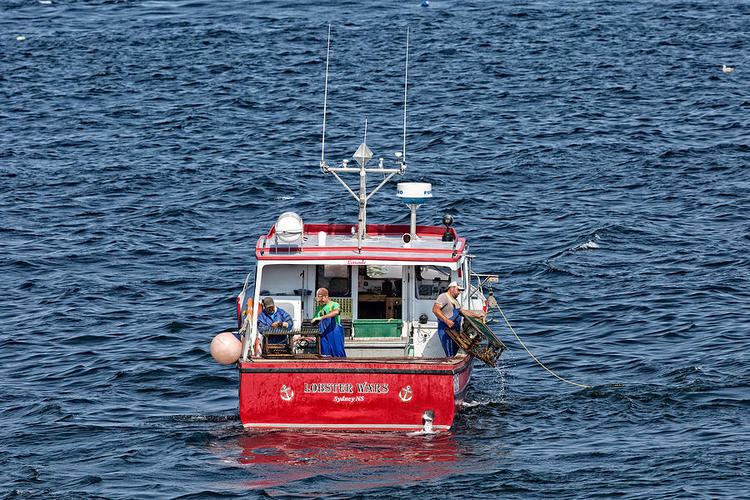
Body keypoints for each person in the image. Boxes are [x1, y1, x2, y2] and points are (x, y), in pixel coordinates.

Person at [432, 281, 483, 357]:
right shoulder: (443, 297)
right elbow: (435, 310)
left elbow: (462, 311)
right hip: (445, 330)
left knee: (455, 352)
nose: (459, 293)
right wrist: (447, 321)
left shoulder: (455, 301)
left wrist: (477, 315)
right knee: (450, 353)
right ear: (451, 288)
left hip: (455, 330)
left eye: (460, 291)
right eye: (458, 290)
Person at [311, 287, 347, 357]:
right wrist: (313, 321)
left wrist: (321, 317)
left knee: (338, 353)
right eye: (319, 301)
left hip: (335, 334)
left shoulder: (334, 305)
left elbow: (336, 312)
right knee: (325, 354)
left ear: (326, 296)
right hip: (324, 335)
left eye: (321, 300)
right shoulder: (319, 308)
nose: (320, 302)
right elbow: (314, 320)